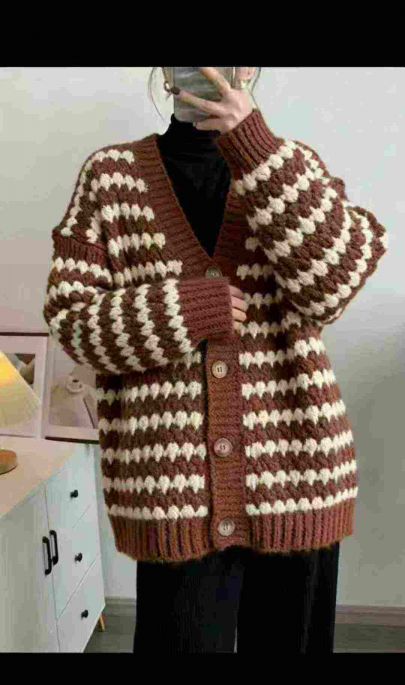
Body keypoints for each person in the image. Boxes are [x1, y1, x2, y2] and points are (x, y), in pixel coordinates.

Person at [42, 67, 388, 654]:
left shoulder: (291, 164)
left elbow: (332, 287)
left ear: (248, 69)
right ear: (166, 72)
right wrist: (184, 310)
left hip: (298, 477)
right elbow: (74, 322)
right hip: (170, 488)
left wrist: (255, 145)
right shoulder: (110, 177)